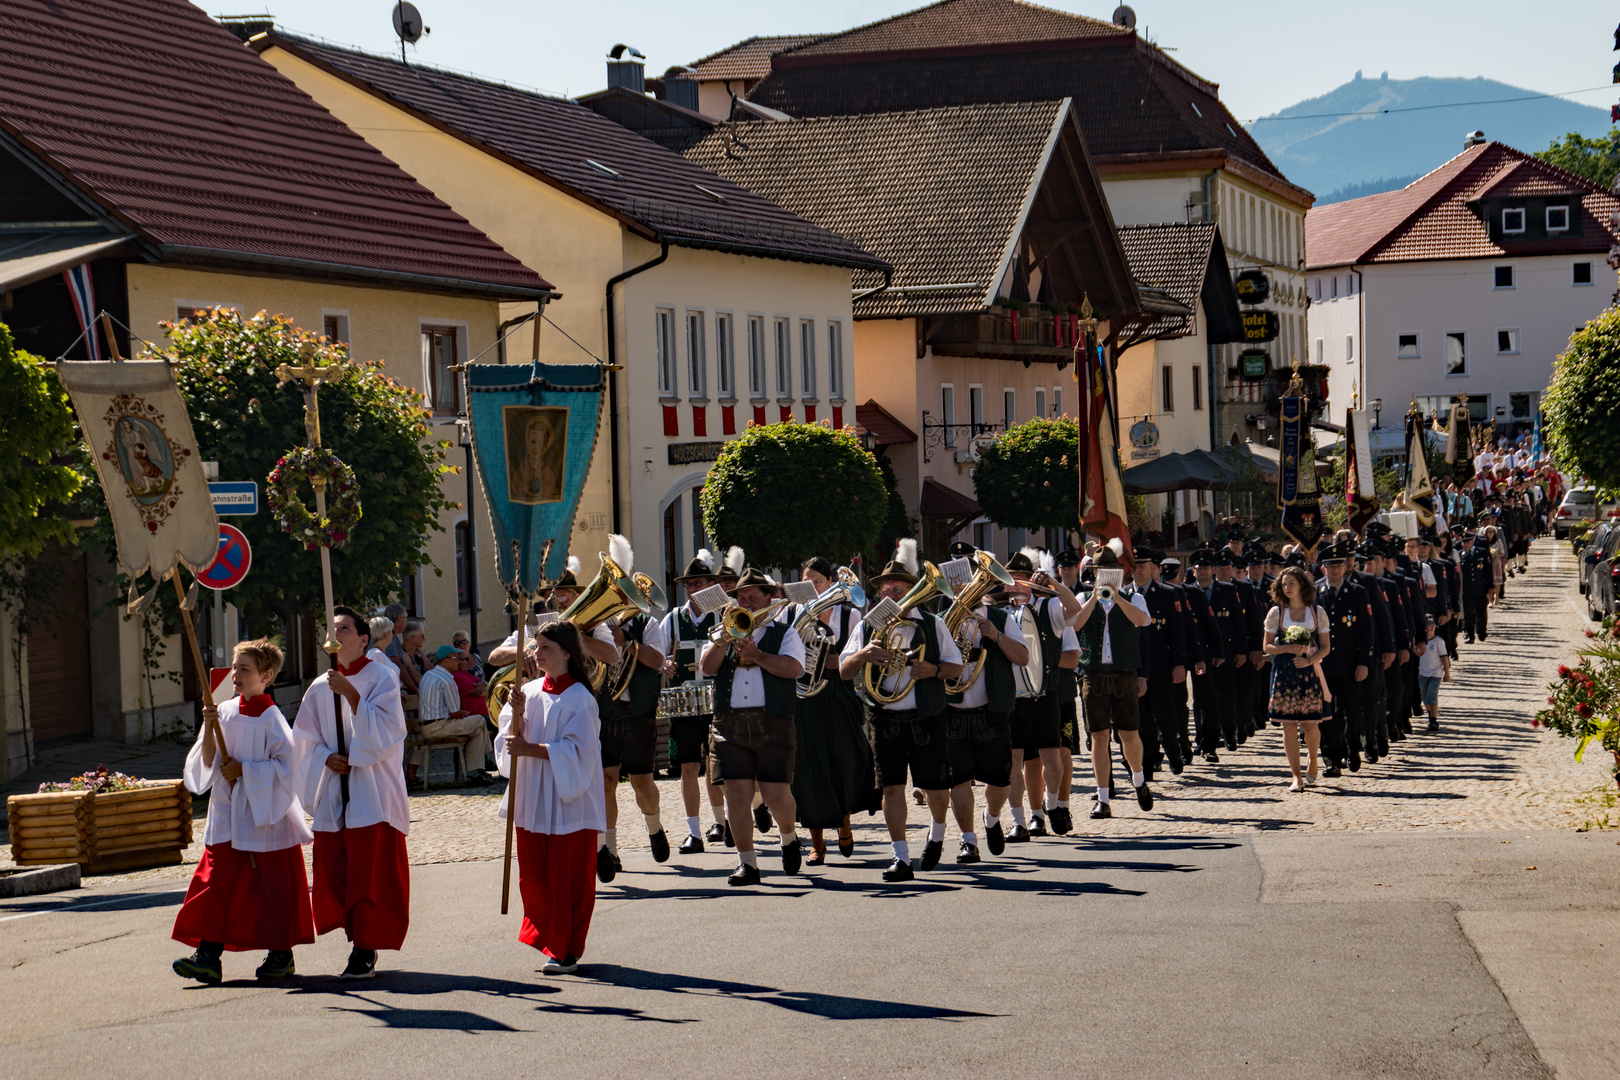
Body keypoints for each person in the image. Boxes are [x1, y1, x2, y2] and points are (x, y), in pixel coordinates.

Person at [172, 639, 314, 984]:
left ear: (265, 676)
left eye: (244, 669)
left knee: (272, 888)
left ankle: (281, 954)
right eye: (234, 667)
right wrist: (208, 726)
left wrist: (247, 771)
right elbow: (207, 761)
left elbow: (287, 769)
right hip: (227, 813)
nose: (235, 674)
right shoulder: (223, 711)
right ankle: (207, 956)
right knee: (217, 882)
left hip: (264, 817)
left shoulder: (272, 720)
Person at [292, 606, 411, 980]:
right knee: (337, 869)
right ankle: (356, 934)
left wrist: (352, 695)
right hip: (335, 789)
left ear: (363, 639)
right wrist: (327, 758)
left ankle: (365, 947)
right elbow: (304, 740)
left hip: (370, 790)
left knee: (367, 871)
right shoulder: (318, 686)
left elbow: (390, 730)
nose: (337, 633)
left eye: (345, 628)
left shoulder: (381, 677)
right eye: (332, 628)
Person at [839, 541, 964, 881]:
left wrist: (933, 671)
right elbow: (844, 671)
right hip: (886, 716)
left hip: (927, 715)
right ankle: (901, 858)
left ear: (912, 590)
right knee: (891, 788)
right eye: (885, 590)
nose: (890, 595)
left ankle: (937, 832)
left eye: (898, 589)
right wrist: (864, 655)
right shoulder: (868, 625)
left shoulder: (933, 623)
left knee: (937, 790)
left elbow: (956, 666)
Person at [495, 620, 604, 976]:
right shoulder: (526, 691)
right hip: (534, 796)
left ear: (567, 654)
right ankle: (550, 937)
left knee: (567, 876)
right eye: (536, 647)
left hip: (566, 799)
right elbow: (509, 744)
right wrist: (520, 713)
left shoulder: (580, 699)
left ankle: (566, 948)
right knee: (537, 876)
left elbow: (579, 752)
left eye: (545, 648)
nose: (536, 654)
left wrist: (531, 749)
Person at [700, 568, 807, 885]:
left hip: (772, 722)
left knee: (776, 797)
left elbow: (793, 669)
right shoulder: (725, 630)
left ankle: (788, 836)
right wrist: (725, 637)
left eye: (752, 597)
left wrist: (757, 654)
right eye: (741, 597)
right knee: (736, 796)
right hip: (729, 725)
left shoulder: (784, 633)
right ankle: (747, 863)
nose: (745, 602)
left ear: (769, 600)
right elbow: (707, 668)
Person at [941, 548, 1029, 862]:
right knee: (958, 779)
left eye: (973, 583)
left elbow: (1023, 658)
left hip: (993, 711)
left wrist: (995, 635)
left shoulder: (1001, 618)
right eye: (960, 584)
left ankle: (991, 817)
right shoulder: (941, 622)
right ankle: (968, 841)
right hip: (954, 711)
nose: (965, 590)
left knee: (1000, 780)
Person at [791, 557, 879, 865]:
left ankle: (844, 822)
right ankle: (817, 844)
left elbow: (857, 653)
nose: (813, 587)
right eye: (807, 582)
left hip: (838, 693)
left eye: (817, 581)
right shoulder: (796, 613)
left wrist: (839, 657)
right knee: (810, 768)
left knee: (844, 761)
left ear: (830, 582)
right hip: (805, 697)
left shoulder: (849, 614)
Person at [1000, 549, 1081, 838]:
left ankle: (1052, 804)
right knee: (1013, 762)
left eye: (1020, 580)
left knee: (1053, 759)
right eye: (1010, 580)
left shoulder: (1048, 607)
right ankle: (1020, 821)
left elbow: (1075, 610)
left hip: (1043, 694)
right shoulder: (1001, 610)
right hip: (1011, 696)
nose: (1014, 586)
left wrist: (1053, 585)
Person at [1072, 544, 1155, 818]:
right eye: (1100, 572)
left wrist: (1118, 598)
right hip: (1094, 675)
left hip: (1124, 674)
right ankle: (1104, 797)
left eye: (1110, 572)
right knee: (1098, 737)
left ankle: (1139, 778)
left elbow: (1143, 621)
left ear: (1118, 573)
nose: (1105, 576)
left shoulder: (1133, 596)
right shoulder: (1084, 596)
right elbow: (1074, 625)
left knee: (1129, 736)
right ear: (1094, 573)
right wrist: (1094, 599)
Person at [596, 595, 670, 881]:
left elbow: (658, 661)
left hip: (638, 712)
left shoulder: (646, 623)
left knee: (643, 784)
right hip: (604, 712)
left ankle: (654, 826)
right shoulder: (597, 625)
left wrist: (627, 640)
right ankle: (610, 850)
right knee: (605, 782)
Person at [660, 550, 728, 853]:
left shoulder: (724, 614)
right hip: (684, 700)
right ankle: (693, 831)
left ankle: (722, 823)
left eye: (699, 583)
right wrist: (665, 664)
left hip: (717, 700)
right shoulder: (673, 618)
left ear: (710, 585)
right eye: (689, 585)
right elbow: (658, 655)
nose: (694, 589)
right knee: (688, 766)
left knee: (718, 766)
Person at [1261, 567, 1333, 792]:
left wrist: (1310, 661)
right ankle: (1296, 776)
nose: (1287, 587)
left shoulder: (1317, 611)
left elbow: (1325, 648)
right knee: (1289, 726)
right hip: (1284, 672)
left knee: (1311, 724)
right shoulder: (1277, 612)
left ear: (1302, 584)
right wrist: (1285, 648)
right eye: (1284, 584)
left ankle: (1312, 758)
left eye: (1291, 583)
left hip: (1309, 671)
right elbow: (1267, 645)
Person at [1314, 543, 1374, 778]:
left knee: (1351, 711)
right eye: (1331, 566)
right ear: (1323, 569)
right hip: (1323, 664)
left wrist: (1364, 662)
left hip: (1350, 663)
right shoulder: (1314, 592)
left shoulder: (1358, 592)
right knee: (1326, 713)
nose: (1336, 569)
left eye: (1339, 565)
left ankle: (1352, 750)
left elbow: (1367, 631)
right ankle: (1331, 759)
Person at [409, 646, 492, 786]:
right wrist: (464, 714)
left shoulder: (428, 675)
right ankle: (482, 763)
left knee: (477, 729)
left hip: (426, 727)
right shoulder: (447, 680)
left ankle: (475, 771)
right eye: (455, 658)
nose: (459, 662)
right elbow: (455, 713)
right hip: (440, 727)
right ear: (445, 660)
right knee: (479, 720)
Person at [1416, 615, 1450, 733]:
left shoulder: (1438, 642)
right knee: (1425, 697)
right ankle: (1430, 715)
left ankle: (1434, 720)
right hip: (1423, 673)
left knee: (1432, 695)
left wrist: (1447, 673)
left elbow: (1444, 658)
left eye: (1432, 629)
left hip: (1435, 673)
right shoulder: (1419, 642)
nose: (1429, 632)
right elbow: (1417, 653)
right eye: (1427, 630)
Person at [1459, 531, 1493, 643]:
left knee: (1481, 611)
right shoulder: (1459, 555)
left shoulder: (1482, 553)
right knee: (1467, 613)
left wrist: (1490, 586)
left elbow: (1488, 571)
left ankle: (1481, 631)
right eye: (1463, 542)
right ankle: (1469, 634)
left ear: (1472, 541)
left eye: (1467, 542)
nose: (1465, 544)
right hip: (1466, 589)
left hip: (1480, 588)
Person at [395, 618, 426, 696]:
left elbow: (429, 666)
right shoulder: (403, 653)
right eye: (422, 636)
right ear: (413, 638)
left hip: (422, 689)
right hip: (413, 694)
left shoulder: (418, 651)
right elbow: (414, 675)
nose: (424, 639)